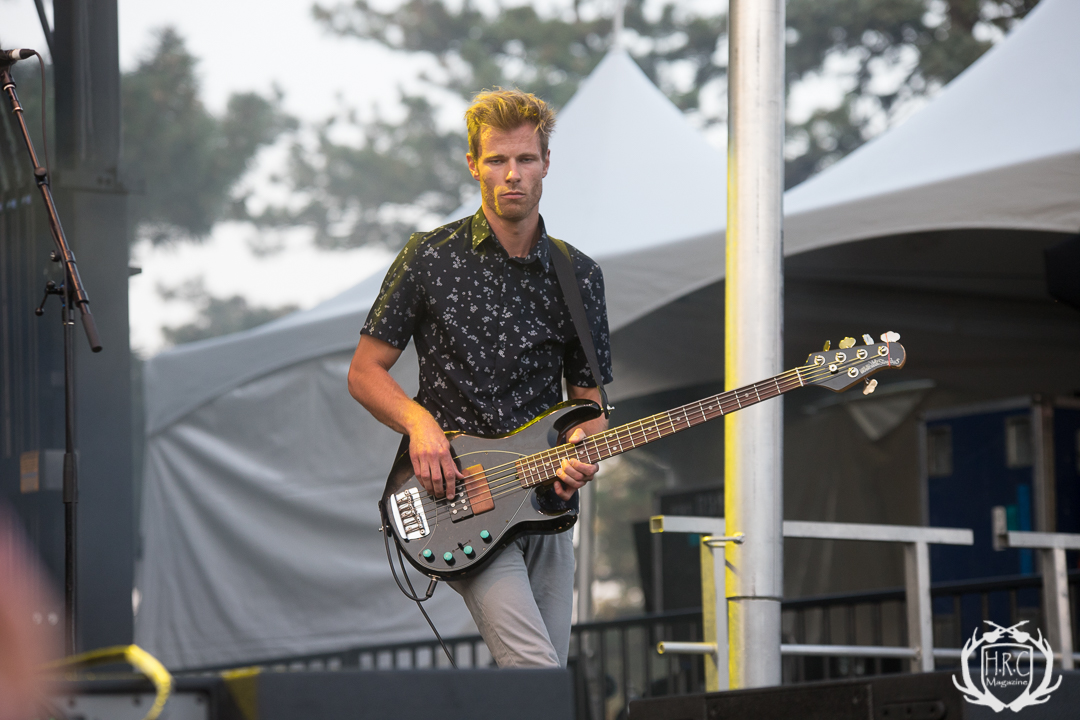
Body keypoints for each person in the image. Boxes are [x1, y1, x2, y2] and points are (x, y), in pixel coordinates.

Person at [348, 88, 612, 668]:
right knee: (536, 670)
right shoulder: (429, 257)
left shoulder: (579, 275)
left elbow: (589, 406)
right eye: (497, 159)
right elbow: (364, 372)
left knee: (541, 686)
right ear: (474, 165)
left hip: (546, 502)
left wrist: (580, 451)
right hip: (459, 497)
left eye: (525, 158)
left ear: (546, 162)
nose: (512, 174)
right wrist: (419, 424)